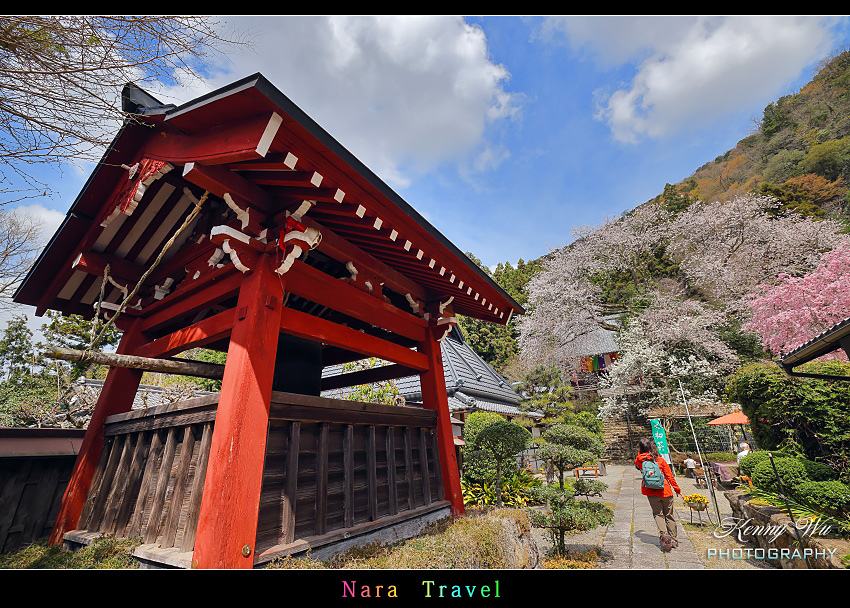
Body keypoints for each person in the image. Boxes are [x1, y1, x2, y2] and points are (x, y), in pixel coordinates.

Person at [635, 437, 681, 551]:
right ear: (652, 447)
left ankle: (664, 534)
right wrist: (677, 489)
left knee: (658, 514)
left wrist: (640, 451)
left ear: (641, 449)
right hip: (665, 490)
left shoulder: (640, 460)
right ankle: (674, 539)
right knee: (669, 515)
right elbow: (670, 476)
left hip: (651, 491)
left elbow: (637, 460)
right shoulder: (660, 460)